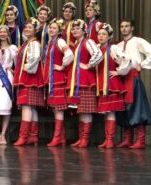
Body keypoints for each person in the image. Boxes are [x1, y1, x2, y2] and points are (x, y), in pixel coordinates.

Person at [115, 18, 151, 149]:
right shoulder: (118, 46)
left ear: (132, 28)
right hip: (121, 79)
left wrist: (141, 65)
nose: (124, 28)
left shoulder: (138, 41)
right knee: (124, 107)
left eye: (126, 26)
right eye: (122, 26)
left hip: (133, 78)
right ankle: (128, 139)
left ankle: (141, 140)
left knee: (137, 107)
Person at [67, 19, 103, 148]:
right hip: (77, 81)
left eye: (78, 29)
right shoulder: (76, 44)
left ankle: (85, 138)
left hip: (85, 80)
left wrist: (88, 65)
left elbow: (98, 54)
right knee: (81, 110)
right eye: (73, 29)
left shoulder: (88, 42)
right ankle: (82, 137)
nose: (75, 31)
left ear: (84, 30)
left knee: (86, 110)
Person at [96, 22, 131, 148]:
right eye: (99, 34)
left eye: (104, 34)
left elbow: (126, 59)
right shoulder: (96, 48)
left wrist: (119, 71)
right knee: (106, 112)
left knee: (110, 112)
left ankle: (110, 139)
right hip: (101, 84)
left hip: (111, 83)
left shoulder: (113, 48)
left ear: (109, 36)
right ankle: (107, 139)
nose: (101, 36)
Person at [13, 17, 45, 146]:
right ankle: (33, 136)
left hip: (30, 78)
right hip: (27, 77)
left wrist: (26, 68)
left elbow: (35, 58)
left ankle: (23, 136)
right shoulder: (27, 44)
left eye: (29, 27)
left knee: (26, 106)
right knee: (31, 107)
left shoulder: (34, 43)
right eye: (25, 27)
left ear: (35, 30)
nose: (26, 29)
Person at [44, 18, 74, 147]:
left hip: (58, 78)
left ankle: (57, 137)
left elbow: (69, 54)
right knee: (55, 109)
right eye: (50, 28)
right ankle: (61, 137)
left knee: (59, 108)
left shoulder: (60, 41)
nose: (51, 30)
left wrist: (62, 66)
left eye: (54, 28)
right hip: (52, 78)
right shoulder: (51, 42)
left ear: (59, 30)